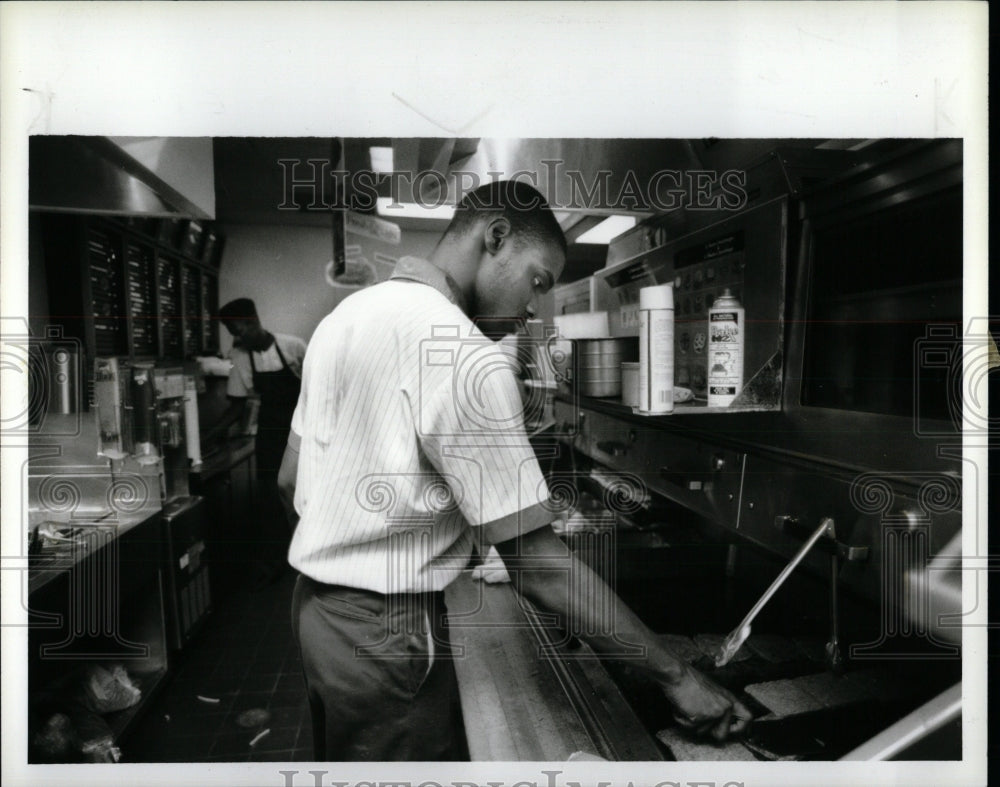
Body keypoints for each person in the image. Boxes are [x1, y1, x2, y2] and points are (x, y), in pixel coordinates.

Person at [277, 181, 752, 761]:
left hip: (319, 618)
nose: (533, 308)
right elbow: (539, 567)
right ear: (496, 236)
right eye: (537, 281)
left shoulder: (343, 318)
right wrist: (678, 678)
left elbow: (289, 479)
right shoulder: (461, 350)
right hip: (388, 633)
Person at [210, 298, 307, 585]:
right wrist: (208, 437)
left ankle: (311, 561)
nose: (234, 337)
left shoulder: (294, 346)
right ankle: (277, 563)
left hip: (302, 432)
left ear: (252, 321)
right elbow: (236, 407)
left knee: (307, 497)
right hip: (270, 435)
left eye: (235, 329)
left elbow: (315, 389)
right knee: (271, 501)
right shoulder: (240, 357)